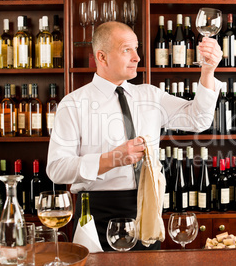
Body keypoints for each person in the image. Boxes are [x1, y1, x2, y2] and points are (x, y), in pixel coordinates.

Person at [46, 21, 223, 251]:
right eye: (126, 50)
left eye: (136, 49)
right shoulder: (73, 104)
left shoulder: (151, 95)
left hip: (147, 208)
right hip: (95, 213)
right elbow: (57, 169)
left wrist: (208, 70)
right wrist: (112, 159)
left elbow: (198, 119)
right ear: (102, 57)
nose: (137, 57)